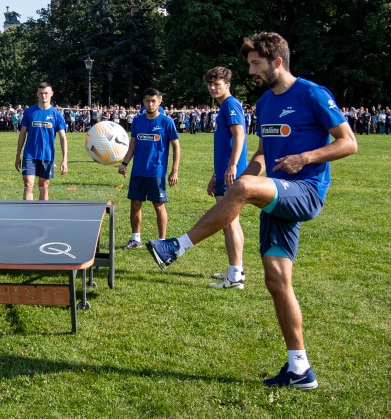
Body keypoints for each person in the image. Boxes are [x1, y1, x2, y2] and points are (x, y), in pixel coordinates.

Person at [146, 32, 357, 390]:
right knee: (276, 281)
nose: (251, 71)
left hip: (305, 191)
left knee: (242, 191)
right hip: (277, 194)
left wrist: (305, 158)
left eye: (255, 63)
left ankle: (176, 247)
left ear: (277, 62)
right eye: (249, 64)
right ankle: (300, 369)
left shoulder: (313, 94)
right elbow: (261, 154)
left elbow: (348, 142)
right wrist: (240, 182)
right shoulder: (265, 103)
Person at [116, 88, 180, 248]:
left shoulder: (166, 122)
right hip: (138, 170)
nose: (150, 104)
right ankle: (135, 239)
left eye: (153, 101)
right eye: (147, 101)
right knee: (135, 204)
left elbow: (176, 147)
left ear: (160, 101)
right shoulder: (138, 120)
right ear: (143, 103)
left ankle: (162, 242)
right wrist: (125, 163)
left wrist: (174, 170)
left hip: (156, 171)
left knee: (158, 205)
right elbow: (133, 143)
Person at [203, 67, 249, 289]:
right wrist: (215, 174)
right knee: (232, 223)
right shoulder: (225, 106)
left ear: (227, 84)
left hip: (231, 173)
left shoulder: (230, 105)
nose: (213, 87)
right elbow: (224, 144)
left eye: (217, 83)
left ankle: (234, 278)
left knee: (228, 223)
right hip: (224, 173)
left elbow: (239, 134)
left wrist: (232, 166)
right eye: (210, 84)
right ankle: (236, 268)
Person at [15, 82, 68, 200]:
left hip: (47, 156)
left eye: (46, 93)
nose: (43, 96)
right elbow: (22, 134)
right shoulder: (29, 112)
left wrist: (64, 160)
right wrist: (18, 155)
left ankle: (42, 215)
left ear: (51, 94)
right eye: (41, 93)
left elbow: (63, 137)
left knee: (43, 186)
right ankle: (28, 216)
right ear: (37, 94)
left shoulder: (56, 114)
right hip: (29, 155)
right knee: (28, 185)